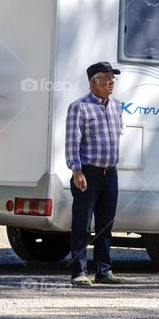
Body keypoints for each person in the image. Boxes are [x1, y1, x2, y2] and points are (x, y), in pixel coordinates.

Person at [65, 61, 126, 286]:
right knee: (82, 224)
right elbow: (72, 141)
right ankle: (79, 272)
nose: (111, 82)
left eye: (113, 78)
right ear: (94, 81)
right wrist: (76, 170)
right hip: (87, 173)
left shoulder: (116, 105)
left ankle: (104, 271)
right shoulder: (79, 107)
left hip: (110, 173)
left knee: (105, 224)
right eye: (107, 78)